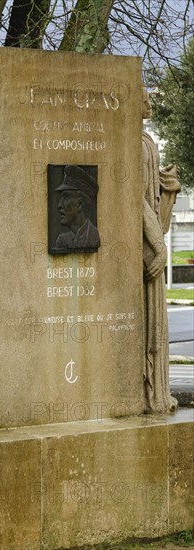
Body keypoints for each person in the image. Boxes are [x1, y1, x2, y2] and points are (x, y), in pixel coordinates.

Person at [142, 86, 180, 414]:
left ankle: (156, 393)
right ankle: (152, 393)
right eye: (145, 96)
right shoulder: (137, 144)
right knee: (152, 324)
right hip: (145, 247)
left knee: (157, 323)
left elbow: (151, 200)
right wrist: (159, 247)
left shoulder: (146, 142)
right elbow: (139, 201)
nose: (150, 101)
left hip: (150, 240)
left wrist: (168, 188)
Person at [54, 165, 100, 250]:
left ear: (80, 204)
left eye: (66, 197)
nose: (59, 205)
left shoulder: (93, 236)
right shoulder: (61, 240)